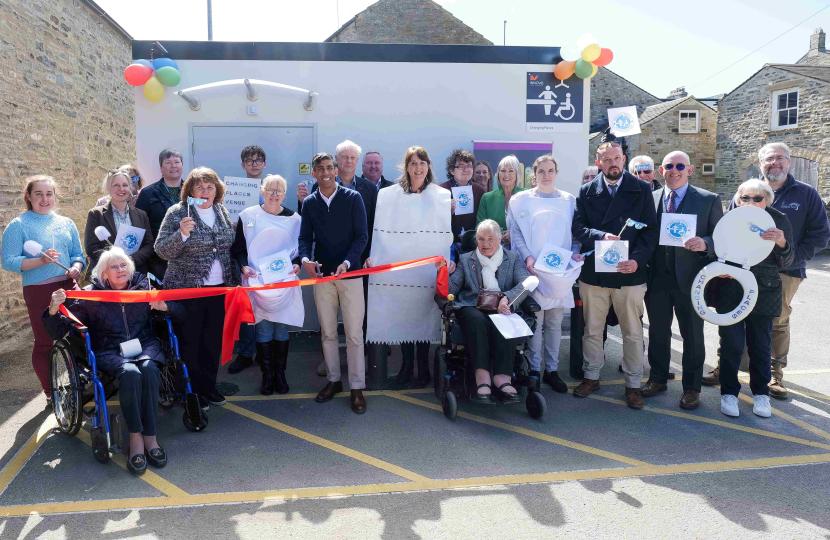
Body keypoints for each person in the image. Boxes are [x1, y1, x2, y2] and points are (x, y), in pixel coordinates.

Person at [702, 143, 830, 399]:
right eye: (769, 159)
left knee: (777, 323)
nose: (775, 163)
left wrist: (794, 258)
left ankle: (774, 375)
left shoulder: (805, 194)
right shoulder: (746, 192)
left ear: (789, 161)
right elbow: (728, 230)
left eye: (780, 158)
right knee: (734, 317)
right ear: (760, 163)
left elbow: (820, 235)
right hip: (743, 269)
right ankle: (724, 368)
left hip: (785, 270)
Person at [43, 248, 184, 475]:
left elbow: (180, 311)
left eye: (124, 265)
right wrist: (52, 307)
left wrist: (164, 306)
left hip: (144, 344)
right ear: (104, 274)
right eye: (114, 267)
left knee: (148, 369)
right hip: (110, 349)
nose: (121, 270)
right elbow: (59, 330)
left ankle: (151, 437)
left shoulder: (145, 287)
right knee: (130, 374)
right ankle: (136, 439)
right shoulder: (90, 296)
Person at [572, 141, 659, 409]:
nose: (612, 163)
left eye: (617, 158)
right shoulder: (587, 191)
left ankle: (633, 384)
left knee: (632, 332)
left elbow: (651, 232)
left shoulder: (642, 188)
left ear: (623, 160)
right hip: (595, 274)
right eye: (606, 159)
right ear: (598, 162)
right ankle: (591, 376)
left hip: (629, 273)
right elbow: (578, 227)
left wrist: (637, 260)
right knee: (592, 330)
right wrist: (601, 236)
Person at [364, 146, 454, 387]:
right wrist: (376, 256)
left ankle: (423, 367)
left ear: (428, 167)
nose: (418, 168)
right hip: (402, 269)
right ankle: (406, 365)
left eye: (422, 163)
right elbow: (381, 230)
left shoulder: (440, 196)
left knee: (424, 315)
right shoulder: (391, 196)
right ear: (406, 167)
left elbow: (445, 234)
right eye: (413, 163)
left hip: (427, 270)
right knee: (404, 315)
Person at [641, 151, 723, 410]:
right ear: (661, 170)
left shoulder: (708, 199)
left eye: (679, 166)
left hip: (691, 279)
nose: (673, 170)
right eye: (668, 166)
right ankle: (657, 378)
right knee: (658, 332)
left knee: (693, 336)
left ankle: (691, 388)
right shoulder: (650, 198)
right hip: (657, 278)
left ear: (690, 170)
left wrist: (706, 243)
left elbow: (720, 237)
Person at [154, 167, 239, 410]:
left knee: (211, 341)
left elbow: (226, 248)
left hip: (218, 290)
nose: (205, 191)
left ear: (217, 190)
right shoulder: (177, 212)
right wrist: (181, 233)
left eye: (210, 186)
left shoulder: (221, 211)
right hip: (187, 291)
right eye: (199, 187)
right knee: (189, 343)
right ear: (190, 190)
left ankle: (208, 387)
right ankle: (189, 391)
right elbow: (161, 250)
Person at [1, 175, 85, 402]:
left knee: (82, 334)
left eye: (49, 194)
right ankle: (51, 393)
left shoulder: (66, 223)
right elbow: (8, 261)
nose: (44, 199)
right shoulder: (18, 225)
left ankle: (81, 383)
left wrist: (77, 267)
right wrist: (41, 261)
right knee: (46, 341)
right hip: (39, 291)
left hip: (70, 286)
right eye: (38, 194)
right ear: (29, 197)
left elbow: (78, 255)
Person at [716, 179, 794, 418]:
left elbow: (789, 261)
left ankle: (760, 394)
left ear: (767, 200)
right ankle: (729, 393)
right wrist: (720, 266)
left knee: (760, 346)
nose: (750, 202)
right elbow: (718, 248)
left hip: (764, 290)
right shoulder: (731, 217)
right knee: (731, 343)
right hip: (732, 288)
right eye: (745, 198)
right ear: (738, 200)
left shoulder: (778, 219)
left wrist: (781, 242)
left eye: (757, 198)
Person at [299, 152, 369, 414]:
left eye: (330, 167)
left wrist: (349, 263)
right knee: (328, 332)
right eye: (321, 169)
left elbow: (361, 236)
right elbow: (305, 238)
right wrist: (306, 258)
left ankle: (357, 387)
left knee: (353, 333)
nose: (326, 172)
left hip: (349, 275)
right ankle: (334, 381)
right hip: (323, 276)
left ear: (336, 171)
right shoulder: (309, 203)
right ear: (314, 173)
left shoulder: (353, 198)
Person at [509, 154, 581, 393]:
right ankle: (534, 370)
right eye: (541, 171)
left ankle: (551, 370)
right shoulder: (521, 201)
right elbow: (516, 233)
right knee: (536, 322)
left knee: (555, 323)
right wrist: (527, 256)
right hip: (534, 269)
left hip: (558, 271)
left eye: (550, 171)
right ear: (534, 174)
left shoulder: (569, 200)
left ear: (556, 173)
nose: (546, 175)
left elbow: (575, 233)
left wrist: (574, 254)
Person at [230, 174, 303, 394]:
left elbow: (300, 249)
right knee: (263, 330)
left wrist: (298, 264)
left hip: (283, 281)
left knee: (281, 328)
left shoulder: (295, 219)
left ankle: (280, 376)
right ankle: (267, 377)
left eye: (279, 191)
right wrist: (243, 266)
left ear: (284, 194)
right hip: (258, 281)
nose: (274, 195)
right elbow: (239, 249)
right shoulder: (248, 215)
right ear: (262, 191)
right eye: (270, 190)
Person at [448, 219, 531, 404]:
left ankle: (502, 378)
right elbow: (451, 289)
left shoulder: (513, 258)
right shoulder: (465, 258)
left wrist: (507, 298)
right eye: (480, 239)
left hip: (502, 307)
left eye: (490, 238)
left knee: (505, 320)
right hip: (472, 306)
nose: (485, 244)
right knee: (477, 319)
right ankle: (482, 378)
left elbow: (525, 284)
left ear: (500, 239)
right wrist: (442, 273)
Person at [229, 145, 269, 373]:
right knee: (245, 304)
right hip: (241, 253)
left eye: (258, 160)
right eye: (249, 160)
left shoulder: (272, 188)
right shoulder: (233, 190)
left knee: (265, 302)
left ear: (264, 164)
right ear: (243, 165)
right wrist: (233, 224)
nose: (254, 163)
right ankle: (245, 353)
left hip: (264, 254)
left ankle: (264, 351)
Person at [84, 169, 155, 280]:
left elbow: (149, 245)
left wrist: (131, 259)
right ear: (108, 189)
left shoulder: (141, 215)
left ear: (130, 188)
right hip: (106, 276)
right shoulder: (96, 214)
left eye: (125, 185)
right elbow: (91, 247)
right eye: (116, 185)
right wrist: (114, 261)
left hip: (135, 275)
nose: (121, 189)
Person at [136, 149, 185, 279]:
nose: (173, 166)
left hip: (187, 258)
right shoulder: (147, 194)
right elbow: (139, 228)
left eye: (177, 162)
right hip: (158, 261)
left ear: (182, 166)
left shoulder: (193, 192)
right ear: (161, 168)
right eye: (168, 162)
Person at [476, 155, 526, 248]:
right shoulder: (487, 198)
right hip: (495, 249)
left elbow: (533, 226)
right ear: (498, 174)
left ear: (517, 174)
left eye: (511, 170)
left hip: (523, 250)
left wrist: (514, 234)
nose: (506, 174)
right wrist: (500, 235)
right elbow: (479, 228)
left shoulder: (527, 196)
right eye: (502, 171)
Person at [440, 149, 485, 244]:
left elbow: (483, 220)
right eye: (461, 167)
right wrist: (448, 213)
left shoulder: (479, 190)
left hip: (474, 244)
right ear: (452, 170)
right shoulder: (441, 191)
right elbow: (436, 222)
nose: (466, 170)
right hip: (448, 244)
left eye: (469, 166)